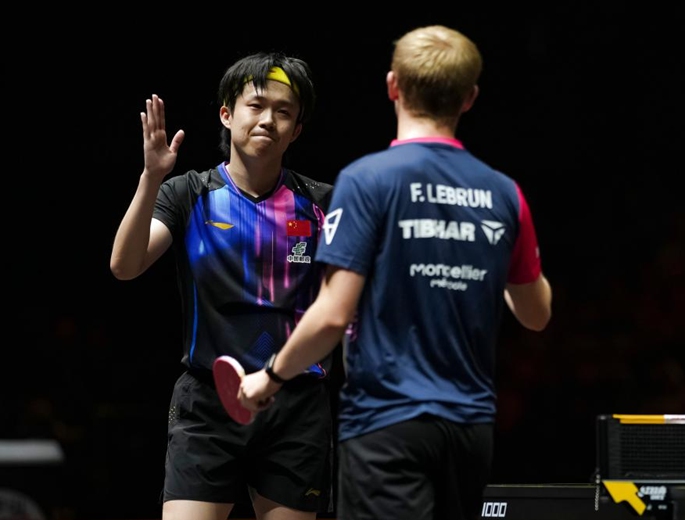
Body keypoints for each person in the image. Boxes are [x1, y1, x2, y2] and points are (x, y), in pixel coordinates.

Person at [238, 25, 553, 520]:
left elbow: (331, 314)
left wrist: (270, 377)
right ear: (469, 98)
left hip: (386, 425)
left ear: (393, 86)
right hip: (470, 432)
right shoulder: (503, 194)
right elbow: (536, 313)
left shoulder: (368, 180)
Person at [109, 51, 336, 520]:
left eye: (284, 111)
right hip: (208, 402)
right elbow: (125, 266)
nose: (268, 120)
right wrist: (152, 178)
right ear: (227, 114)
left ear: (296, 130)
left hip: (294, 406)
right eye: (256, 105)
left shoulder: (321, 204)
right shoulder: (188, 193)